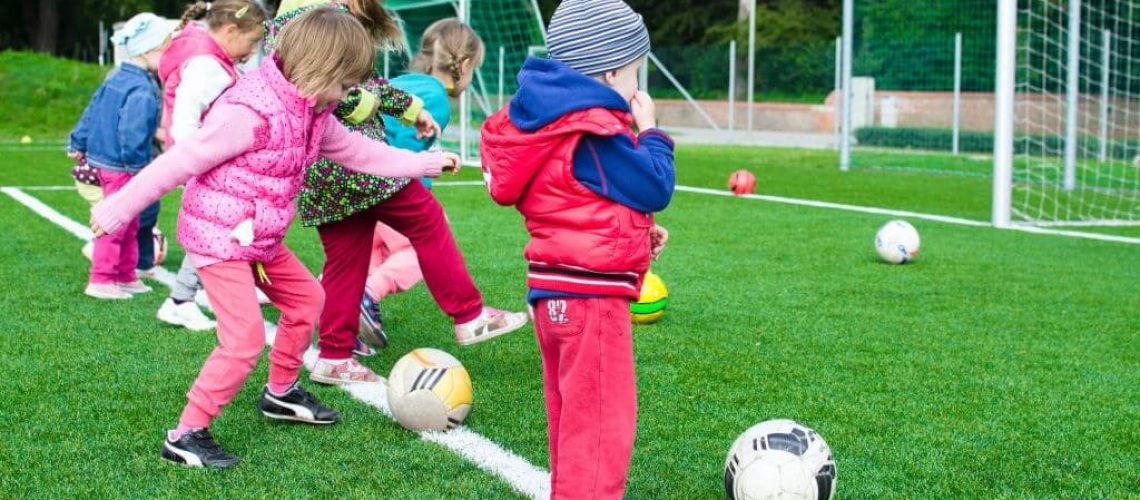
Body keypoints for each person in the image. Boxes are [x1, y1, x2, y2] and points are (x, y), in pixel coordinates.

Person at [89, 8, 459, 468]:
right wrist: (118, 208)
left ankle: (280, 393)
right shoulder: (249, 112)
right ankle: (185, 434)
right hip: (219, 238)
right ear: (319, 70)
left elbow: (357, 152)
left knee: (308, 301)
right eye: (345, 86)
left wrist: (421, 163)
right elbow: (179, 161)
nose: (348, 96)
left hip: (259, 238)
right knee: (243, 339)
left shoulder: (313, 109)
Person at [270, 1, 527, 387]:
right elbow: (345, 92)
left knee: (347, 260)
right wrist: (390, 111)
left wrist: (411, 110)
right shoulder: (324, 17)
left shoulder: (296, 17)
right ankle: (469, 316)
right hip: (355, 163)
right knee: (427, 220)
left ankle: (334, 356)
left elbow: (360, 83)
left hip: (323, 175)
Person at [479, 0, 675, 497]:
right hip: (593, 301)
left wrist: (637, 232)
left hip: (555, 294)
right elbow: (654, 186)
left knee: (573, 421)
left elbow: (576, 199)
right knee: (602, 429)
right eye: (635, 72)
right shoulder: (593, 130)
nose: (637, 86)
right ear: (610, 71)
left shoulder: (548, 121)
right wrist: (651, 131)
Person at [352, 18, 487, 354]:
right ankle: (368, 295)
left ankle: (348, 323)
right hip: (389, 188)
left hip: (356, 181)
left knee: (370, 253)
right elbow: (403, 149)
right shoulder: (437, 99)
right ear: (465, 65)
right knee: (420, 249)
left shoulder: (401, 81)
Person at [154, 0, 269, 332]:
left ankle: (200, 293)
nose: (250, 51)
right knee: (218, 229)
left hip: (207, 160)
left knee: (232, 225)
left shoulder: (211, 56)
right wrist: (198, 158)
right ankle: (179, 300)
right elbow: (186, 118)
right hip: (206, 162)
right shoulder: (207, 65)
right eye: (250, 42)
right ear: (231, 31)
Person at [68, 13, 178, 300]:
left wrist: (78, 140)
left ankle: (126, 275)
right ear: (149, 50)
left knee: (130, 221)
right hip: (124, 166)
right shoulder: (142, 87)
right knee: (118, 222)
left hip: (109, 161)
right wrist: (138, 169)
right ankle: (102, 279)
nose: (168, 57)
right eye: (166, 50)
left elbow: (91, 109)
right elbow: (132, 131)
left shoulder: (116, 76)